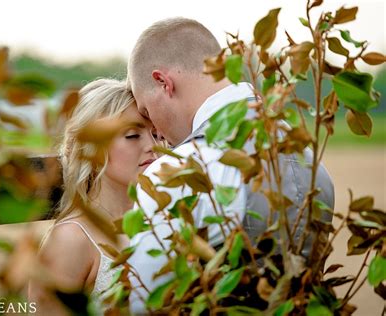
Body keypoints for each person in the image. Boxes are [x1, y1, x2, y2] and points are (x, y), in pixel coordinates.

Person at [126, 17, 334, 313]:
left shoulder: (177, 173)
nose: (156, 132)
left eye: (147, 110)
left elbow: (146, 306)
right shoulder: (310, 156)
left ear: (163, 82)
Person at [27, 79, 158, 315]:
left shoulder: (161, 220)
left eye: (156, 133)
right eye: (132, 135)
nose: (153, 145)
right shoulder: (71, 240)